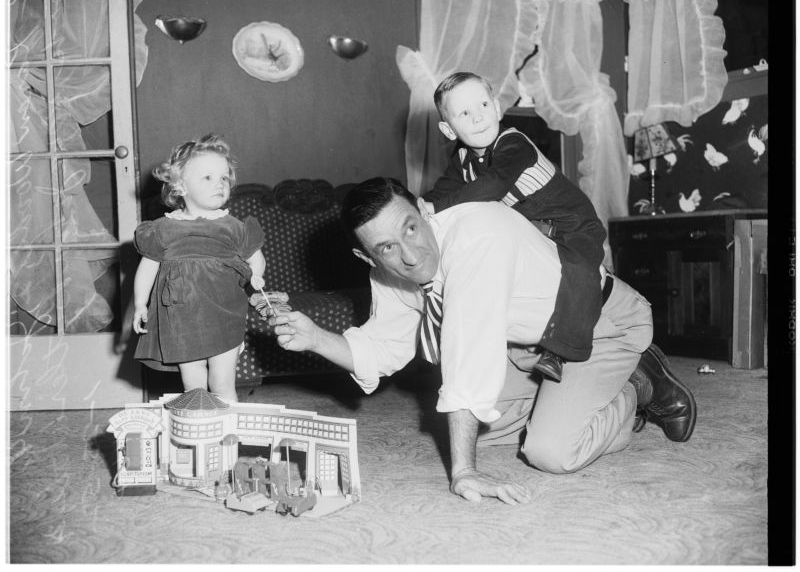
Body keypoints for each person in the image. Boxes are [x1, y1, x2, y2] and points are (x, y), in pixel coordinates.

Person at [269, 177, 697, 504]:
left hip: (598, 325)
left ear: (422, 209)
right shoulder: (389, 272)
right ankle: (577, 401)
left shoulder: (478, 237)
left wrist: (463, 472)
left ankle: (639, 382)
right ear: (368, 256)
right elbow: (383, 348)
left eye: (411, 229)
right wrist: (315, 338)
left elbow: (467, 352)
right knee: (484, 431)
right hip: (530, 346)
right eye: (387, 248)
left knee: (551, 451)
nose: (411, 255)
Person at [422, 72, 607, 383]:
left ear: (496, 107)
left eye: (482, 104)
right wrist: (420, 208)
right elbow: (442, 193)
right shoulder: (463, 158)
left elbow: (492, 187)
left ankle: (562, 349)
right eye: (464, 113)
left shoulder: (514, 143)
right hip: (532, 228)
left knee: (579, 266)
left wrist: (435, 208)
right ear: (448, 129)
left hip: (572, 222)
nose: (478, 116)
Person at [132, 134, 266, 403]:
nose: (219, 184)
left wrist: (258, 275)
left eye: (224, 178)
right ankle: (200, 437)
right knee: (194, 388)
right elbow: (147, 268)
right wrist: (140, 304)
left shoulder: (233, 226)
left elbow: (255, 257)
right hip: (181, 320)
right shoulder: (163, 229)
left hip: (224, 316)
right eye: (207, 178)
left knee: (222, 383)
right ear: (180, 186)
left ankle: (229, 435)